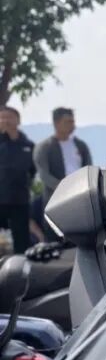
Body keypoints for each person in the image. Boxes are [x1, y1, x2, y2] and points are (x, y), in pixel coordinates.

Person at [33, 107, 93, 205]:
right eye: (67, 122)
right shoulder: (45, 147)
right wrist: (62, 187)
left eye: (72, 122)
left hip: (80, 195)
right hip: (55, 199)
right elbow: (44, 174)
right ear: (56, 123)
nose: (72, 125)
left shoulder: (81, 146)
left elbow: (89, 168)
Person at [0, 106, 36, 253]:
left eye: (9, 117)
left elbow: (33, 171)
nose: (5, 120)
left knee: (22, 242)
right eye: (2, 117)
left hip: (19, 201)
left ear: (18, 120)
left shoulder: (28, 145)